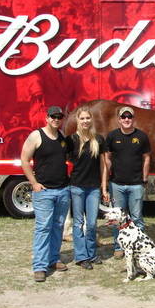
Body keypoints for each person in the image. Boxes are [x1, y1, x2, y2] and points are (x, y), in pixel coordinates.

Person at [20, 106, 70, 282]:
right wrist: (34, 183)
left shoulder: (63, 137)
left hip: (63, 190)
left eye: (59, 117)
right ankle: (39, 266)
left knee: (58, 227)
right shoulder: (36, 136)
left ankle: (53, 259)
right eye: (53, 116)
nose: (57, 119)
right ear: (47, 118)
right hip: (44, 192)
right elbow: (24, 160)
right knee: (43, 228)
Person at [66, 106, 109, 270]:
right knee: (78, 223)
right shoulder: (71, 140)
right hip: (76, 187)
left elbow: (103, 166)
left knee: (91, 224)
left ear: (91, 120)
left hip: (93, 188)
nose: (85, 121)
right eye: (82, 118)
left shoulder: (98, 140)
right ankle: (81, 256)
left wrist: (104, 187)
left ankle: (91, 254)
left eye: (87, 118)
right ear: (78, 120)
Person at [106, 106, 151, 259]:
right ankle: (118, 246)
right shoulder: (112, 136)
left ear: (133, 119)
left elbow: (146, 158)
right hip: (116, 184)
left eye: (129, 117)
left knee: (137, 217)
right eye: (123, 117)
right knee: (117, 217)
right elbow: (107, 158)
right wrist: (106, 179)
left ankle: (139, 245)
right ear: (119, 119)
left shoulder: (142, 136)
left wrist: (144, 179)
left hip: (136, 184)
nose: (126, 119)